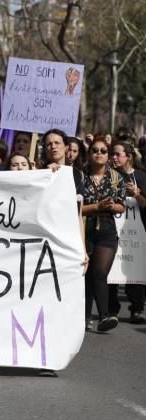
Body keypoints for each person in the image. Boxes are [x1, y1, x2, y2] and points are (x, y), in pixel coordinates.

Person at [80, 137, 126, 333]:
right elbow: (76, 207)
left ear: (107, 156)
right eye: (94, 150)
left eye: (103, 151)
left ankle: (104, 316)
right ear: (89, 154)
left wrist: (109, 206)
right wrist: (96, 206)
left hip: (107, 229)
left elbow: (121, 205)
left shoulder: (116, 178)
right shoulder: (80, 177)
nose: (99, 153)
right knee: (86, 275)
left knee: (99, 273)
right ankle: (84, 316)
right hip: (83, 228)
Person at [109, 140, 146, 324]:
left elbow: (145, 204)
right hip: (112, 229)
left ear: (128, 157)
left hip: (135, 233)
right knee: (112, 268)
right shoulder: (109, 176)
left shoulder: (140, 176)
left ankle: (136, 308)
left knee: (133, 269)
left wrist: (137, 193)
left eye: (118, 154)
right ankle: (111, 310)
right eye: (112, 154)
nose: (114, 158)